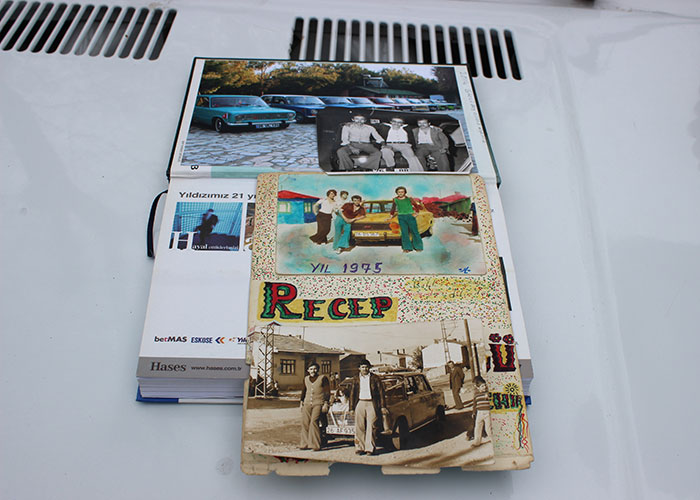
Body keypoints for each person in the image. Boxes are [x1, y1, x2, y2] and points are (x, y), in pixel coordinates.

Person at [349, 360, 386, 455]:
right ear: (359, 368)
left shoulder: (375, 378)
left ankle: (370, 448)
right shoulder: (356, 378)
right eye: (362, 367)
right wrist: (351, 408)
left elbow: (381, 393)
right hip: (360, 402)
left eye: (366, 367)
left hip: (371, 403)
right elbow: (352, 393)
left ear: (369, 368)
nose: (364, 369)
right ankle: (359, 447)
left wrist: (382, 406)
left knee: (371, 426)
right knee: (359, 427)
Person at [299, 363, 330, 451]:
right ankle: (304, 444)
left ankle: (315, 444)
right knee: (305, 422)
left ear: (318, 370)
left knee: (314, 421)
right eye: (311, 369)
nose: (313, 371)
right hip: (307, 403)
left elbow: (327, 391)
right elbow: (304, 391)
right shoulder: (306, 379)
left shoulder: (323, 378)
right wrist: (301, 402)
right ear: (308, 370)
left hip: (318, 403)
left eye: (315, 369)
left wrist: (326, 403)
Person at [387, 186, 423, 253]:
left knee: (414, 231)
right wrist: (391, 216)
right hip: (401, 217)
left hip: (410, 216)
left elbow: (416, 205)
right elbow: (393, 208)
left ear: (405, 192)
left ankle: (418, 247)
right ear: (397, 193)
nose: (400, 193)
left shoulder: (409, 199)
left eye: (402, 192)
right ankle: (407, 248)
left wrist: (416, 213)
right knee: (404, 232)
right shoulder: (395, 200)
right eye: (399, 192)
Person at [469, 376, 492, 447]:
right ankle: (477, 442)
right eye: (482, 386)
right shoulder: (476, 395)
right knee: (477, 427)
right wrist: (473, 412)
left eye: (485, 385)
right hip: (479, 413)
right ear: (478, 387)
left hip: (487, 413)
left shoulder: (488, 393)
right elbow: (475, 404)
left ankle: (494, 440)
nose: (484, 387)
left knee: (488, 428)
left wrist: (489, 396)